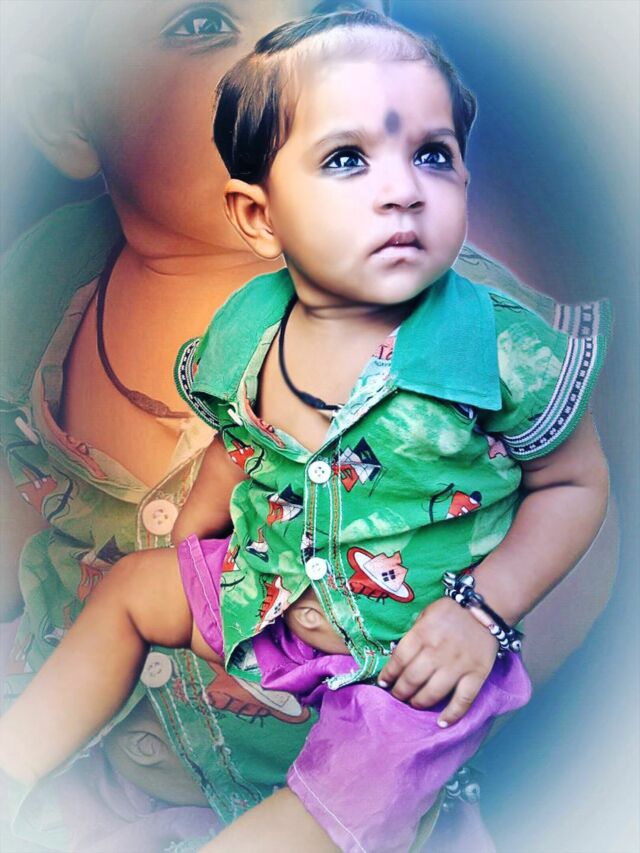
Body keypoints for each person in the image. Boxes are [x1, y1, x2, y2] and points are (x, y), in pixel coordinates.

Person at [0, 11, 610, 852]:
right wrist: (195, 537)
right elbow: (238, 439)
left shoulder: (496, 343)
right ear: (260, 215)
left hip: (407, 656)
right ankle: (15, 763)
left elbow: (574, 484)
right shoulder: (250, 321)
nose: (402, 190)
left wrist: (482, 611)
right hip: (271, 585)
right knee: (135, 590)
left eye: (433, 155)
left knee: (354, 781)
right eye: (346, 159)